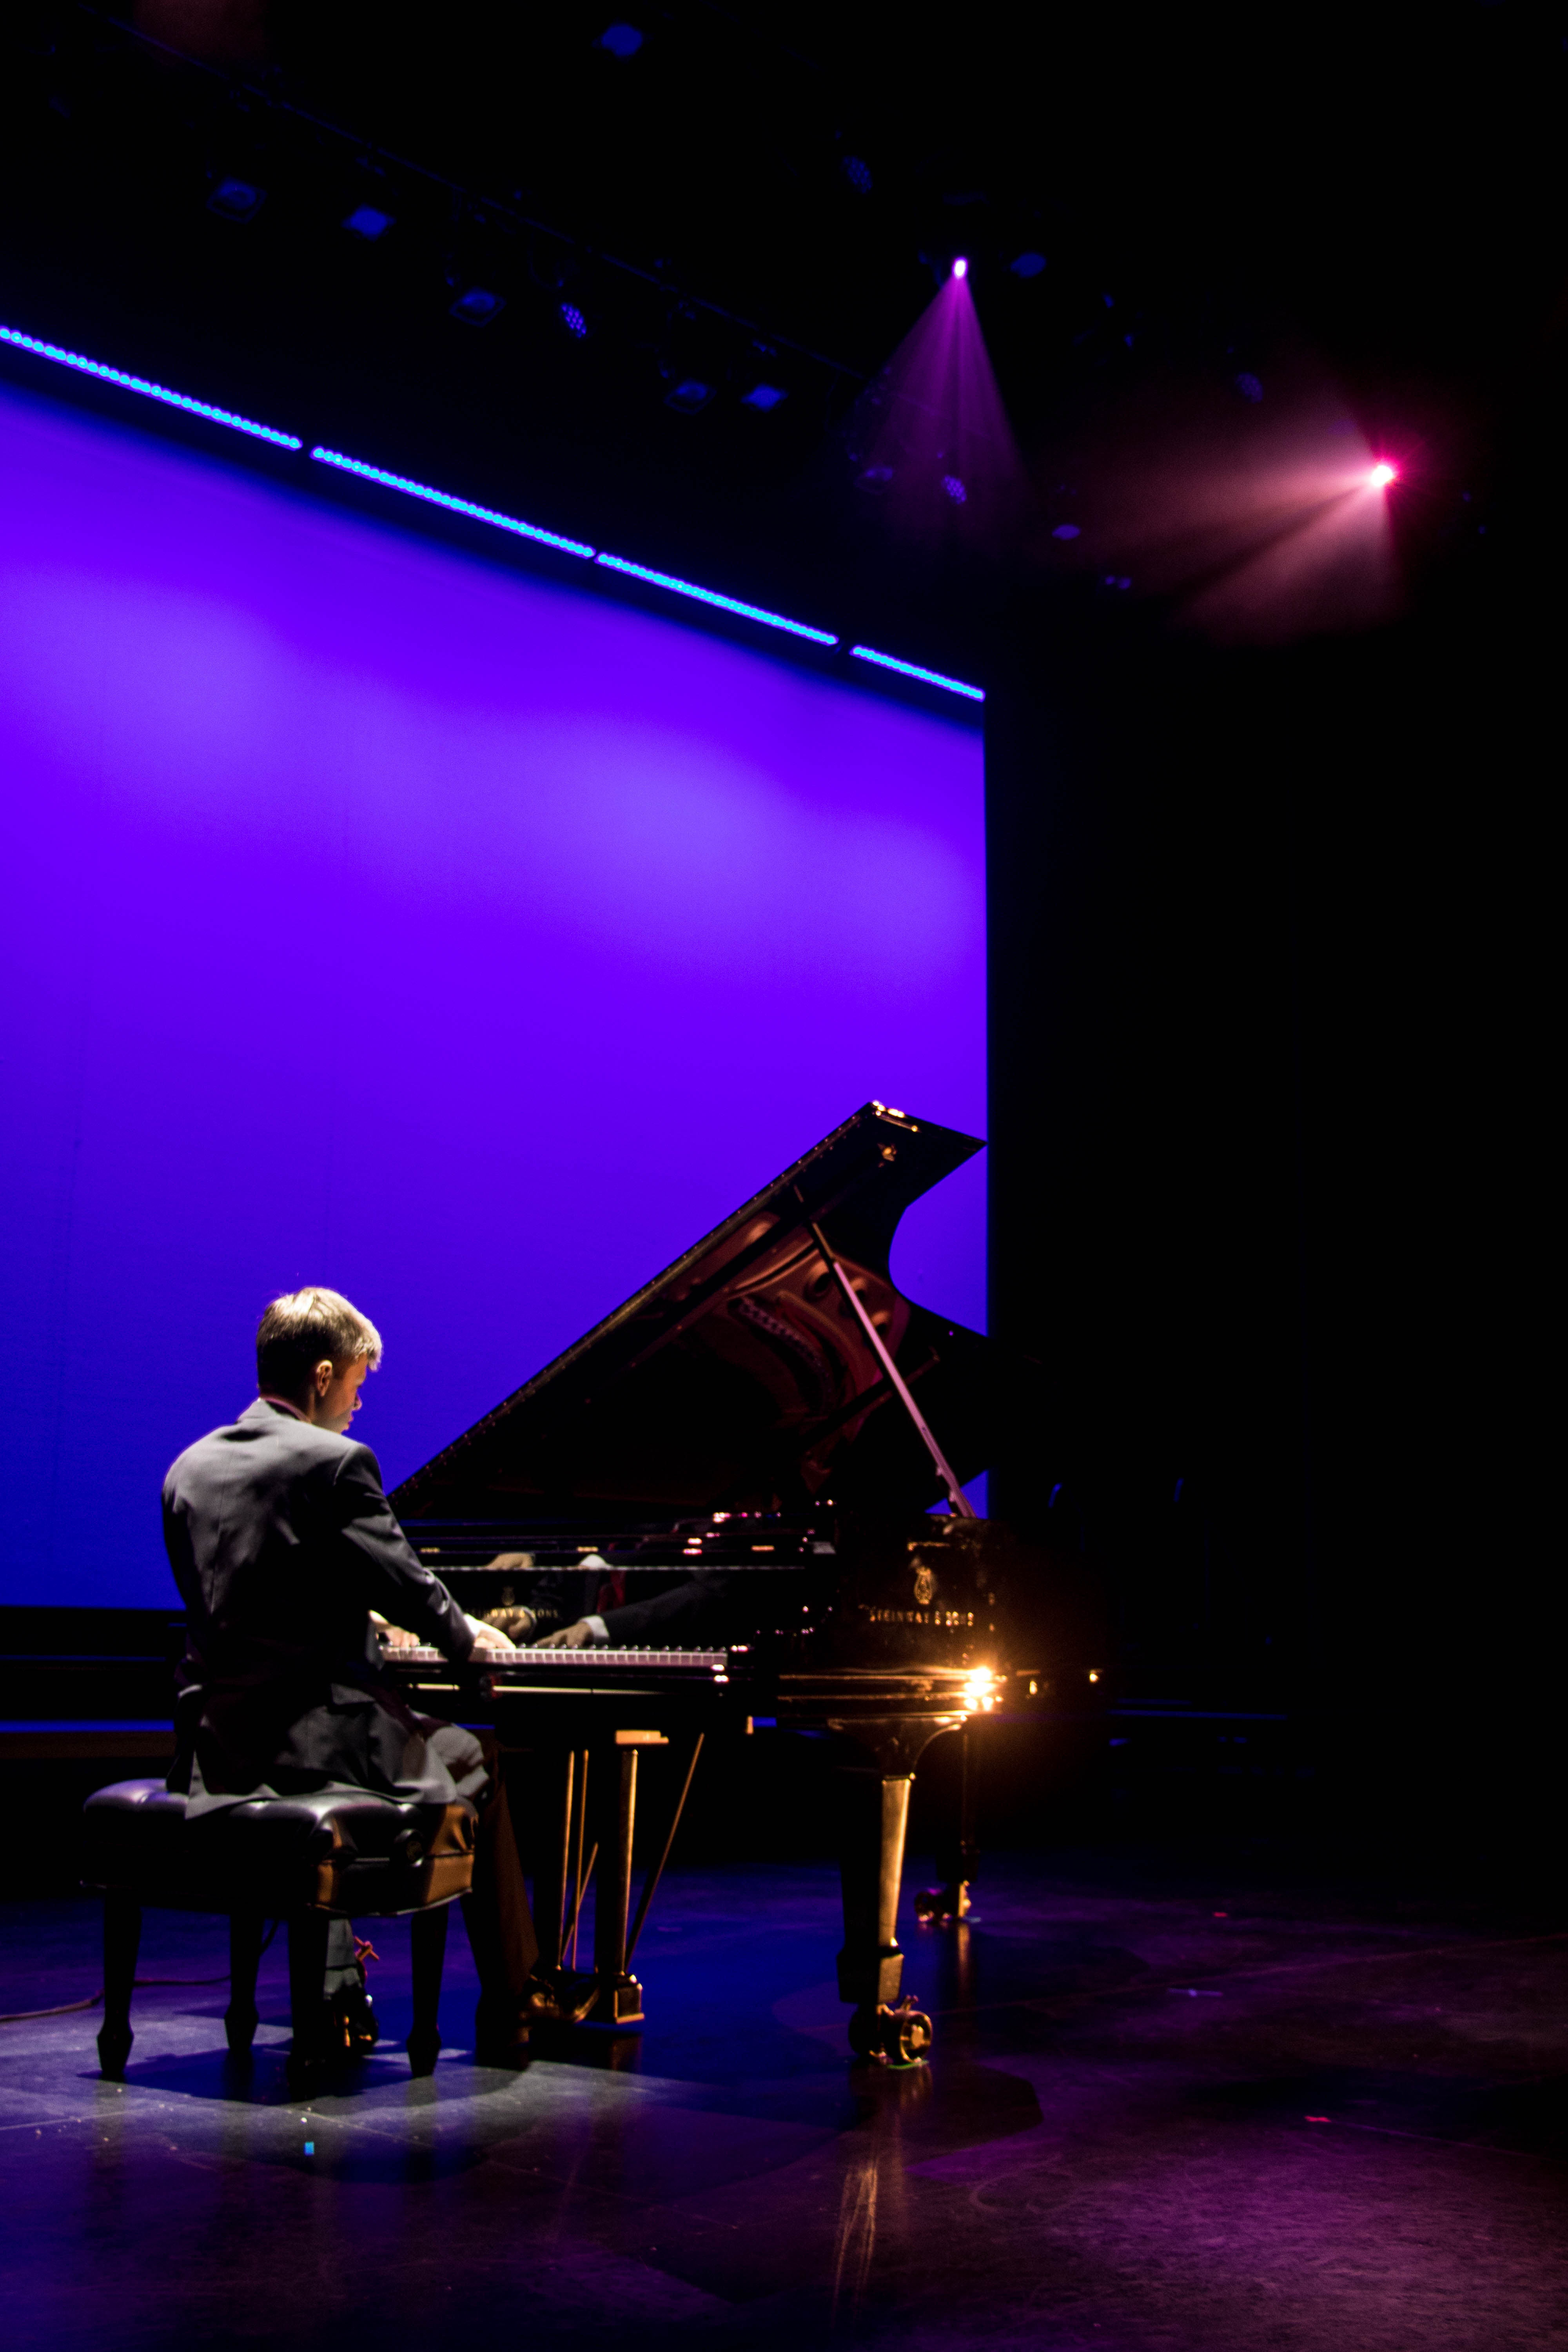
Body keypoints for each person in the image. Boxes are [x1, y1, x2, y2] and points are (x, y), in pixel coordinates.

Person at [162, 1287, 537, 2058]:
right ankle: (513, 2001)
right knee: (475, 1757)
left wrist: (355, 1621)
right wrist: (467, 1638)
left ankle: (337, 1988)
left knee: (389, 1754)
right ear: (325, 1375)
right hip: (312, 1740)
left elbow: (248, 1596)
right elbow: (407, 1581)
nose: (360, 1403)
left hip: (217, 1742)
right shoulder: (336, 1464)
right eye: (359, 1385)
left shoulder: (188, 1469)